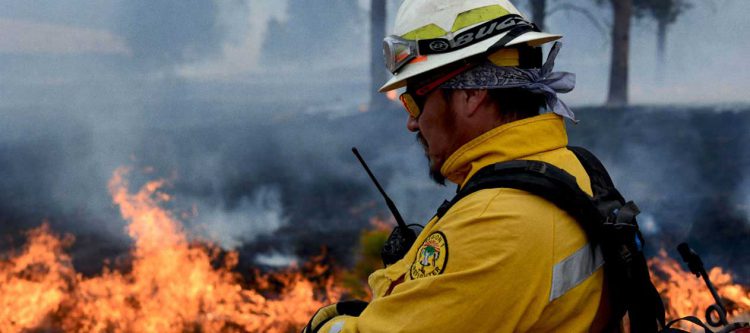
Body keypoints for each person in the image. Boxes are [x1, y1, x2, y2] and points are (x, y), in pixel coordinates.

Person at [304, 0, 608, 331]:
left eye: (414, 99)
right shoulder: (571, 168)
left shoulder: (495, 221)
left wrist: (324, 325)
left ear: (472, 93)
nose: (412, 121)